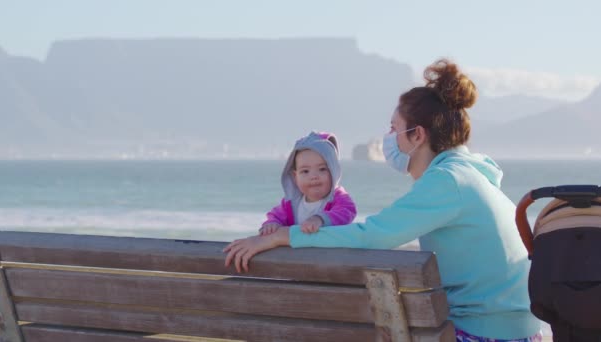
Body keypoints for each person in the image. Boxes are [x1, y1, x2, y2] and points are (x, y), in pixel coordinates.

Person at [224, 59, 542, 341]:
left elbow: (374, 235)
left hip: (485, 334)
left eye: (394, 129)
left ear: (418, 135)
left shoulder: (448, 182)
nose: (389, 137)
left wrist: (284, 236)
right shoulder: (470, 174)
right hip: (515, 331)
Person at [258, 131, 357, 236]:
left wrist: (320, 219)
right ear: (295, 177)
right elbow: (276, 216)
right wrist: (272, 224)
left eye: (322, 169)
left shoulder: (338, 197)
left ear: (334, 171)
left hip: (328, 251)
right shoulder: (291, 202)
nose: (314, 176)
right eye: (305, 171)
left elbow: (347, 212)